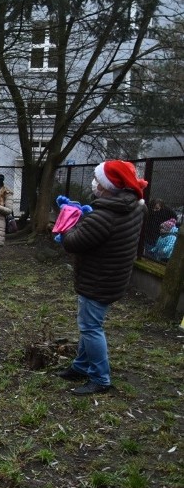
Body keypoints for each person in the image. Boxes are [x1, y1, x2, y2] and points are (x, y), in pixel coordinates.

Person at [57, 160, 148, 395]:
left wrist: (67, 223)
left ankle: (100, 378)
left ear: (110, 185)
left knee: (90, 327)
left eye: (97, 180)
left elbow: (72, 242)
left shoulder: (104, 216)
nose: (94, 184)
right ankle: (80, 366)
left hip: (98, 279)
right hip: (114, 277)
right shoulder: (135, 207)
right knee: (89, 324)